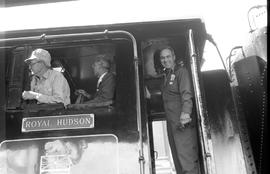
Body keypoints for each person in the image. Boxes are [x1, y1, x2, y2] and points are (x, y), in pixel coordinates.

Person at [159, 46, 199, 174]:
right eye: (163, 58)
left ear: (174, 57)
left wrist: (186, 113)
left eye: (168, 57)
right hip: (172, 125)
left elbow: (186, 94)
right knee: (178, 161)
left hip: (182, 123)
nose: (165, 60)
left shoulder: (181, 72)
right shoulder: (167, 76)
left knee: (187, 161)